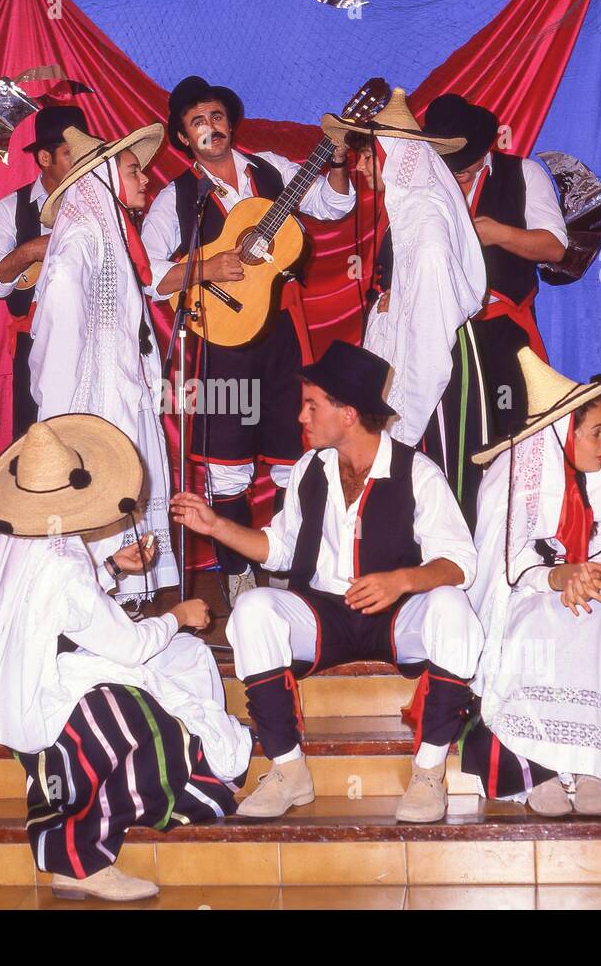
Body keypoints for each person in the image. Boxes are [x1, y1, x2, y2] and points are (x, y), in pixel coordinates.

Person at [172, 342, 483, 822]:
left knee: (452, 607)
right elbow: (279, 548)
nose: (301, 416)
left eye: (312, 405)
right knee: (253, 609)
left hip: (397, 618)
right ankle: (288, 770)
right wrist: (216, 526)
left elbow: (461, 563)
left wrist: (401, 581)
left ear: (349, 414)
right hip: (325, 617)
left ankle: (427, 772)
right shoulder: (309, 469)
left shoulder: (417, 472)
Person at [0, 414, 252, 901]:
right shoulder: (63, 561)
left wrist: (113, 566)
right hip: (44, 694)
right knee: (149, 724)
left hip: (12, 681)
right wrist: (179, 615)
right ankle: (81, 862)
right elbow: (127, 644)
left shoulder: (18, 537)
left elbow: (53, 602)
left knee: (182, 658)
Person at [142, 76, 356, 599]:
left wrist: (336, 162)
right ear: (183, 137)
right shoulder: (177, 197)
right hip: (219, 342)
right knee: (227, 468)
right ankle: (237, 572)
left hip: (280, 336)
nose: (210, 127)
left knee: (291, 458)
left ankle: (288, 569)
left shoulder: (271, 170)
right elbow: (148, 275)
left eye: (216, 116)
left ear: (230, 123)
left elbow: (334, 206)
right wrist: (206, 267)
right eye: (197, 121)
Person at [464, 347, 601, 816]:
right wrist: (555, 576)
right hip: (527, 594)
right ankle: (542, 765)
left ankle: (592, 763)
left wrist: (592, 575)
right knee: (540, 623)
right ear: (562, 434)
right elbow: (502, 566)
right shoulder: (511, 477)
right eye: (596, 432)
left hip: (591, 586)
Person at [30, 122, 179, 601]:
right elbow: (59, 331)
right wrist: (63, 422)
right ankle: (100, 597)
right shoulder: (79, 244)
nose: (145, 179)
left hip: (120, 392)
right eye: (133, 171)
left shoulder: (109, 237)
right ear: (106, 182)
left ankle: (124, 599)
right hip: (94, 404)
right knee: (100, 494)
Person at [322, 88, 485, 453]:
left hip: (436, 368)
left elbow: (431, 323)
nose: (359, 167)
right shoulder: (408, 211)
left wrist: (404, 425)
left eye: (367, 157)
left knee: (434, 461)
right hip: (417, 352)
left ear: (392, 157)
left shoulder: (426, 220)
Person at [0, 105, 90, 436]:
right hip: (35, 343)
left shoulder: (103, 203)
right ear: (45, 158)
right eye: (71, 153)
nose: (83, 162)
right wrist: (29, 251)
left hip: (97, 340)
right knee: (38, 441)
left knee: (96, 437)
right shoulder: (12, 207)